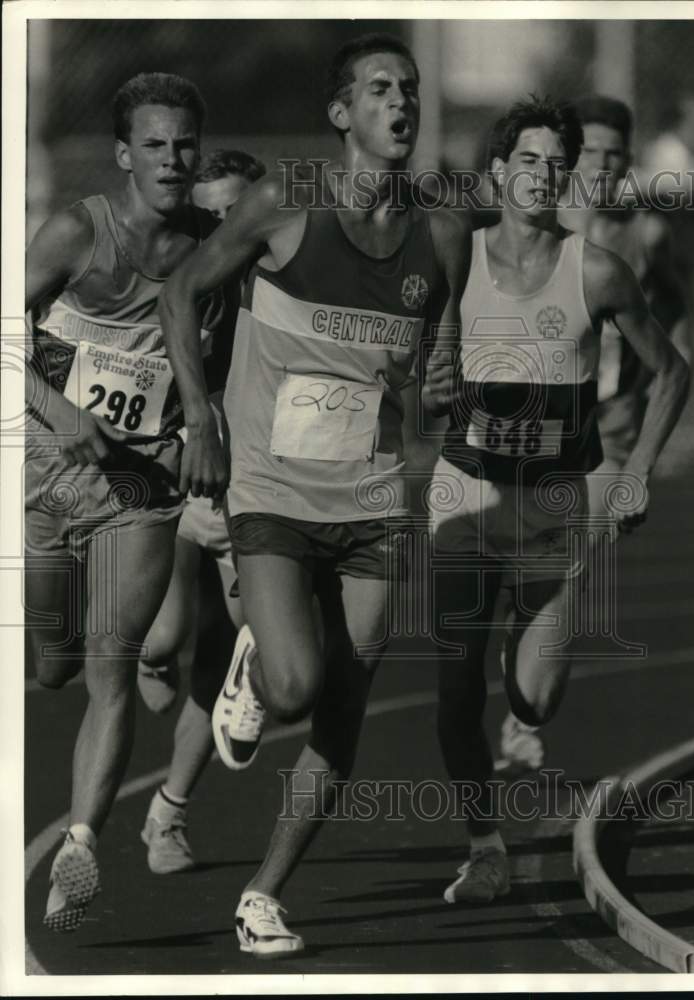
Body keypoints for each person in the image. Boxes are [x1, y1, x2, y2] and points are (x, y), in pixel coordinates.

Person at [159, 32, 469, 956]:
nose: (400, 102)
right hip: (273, 491)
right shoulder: (286, 204)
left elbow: (432, 375)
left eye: (409, 88)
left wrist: (441, 386)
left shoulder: (443, 234)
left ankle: (263, 895)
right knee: (295, 687)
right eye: (379, 89)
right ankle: (256, 667)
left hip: (373, 501)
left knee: (345, 706)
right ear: (341, 113)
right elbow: (180, 293)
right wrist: (201, 417)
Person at [429, 96, 689, 905]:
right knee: (455, 690)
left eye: (556, 163)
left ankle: (530, 633)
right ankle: (485, 846)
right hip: (466, 496)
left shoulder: (598, 271)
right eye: (527, 161)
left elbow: (673, 371)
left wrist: (637, 469)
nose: (542, 176)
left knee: (534, 698)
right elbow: (402, 346)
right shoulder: (457, 254)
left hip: (550, 508)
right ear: (498, 171)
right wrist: (424, 381)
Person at [25, 72, 237, 930]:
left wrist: (201, 426)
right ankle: (52, 653)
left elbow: (225, 357)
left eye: (185, 144)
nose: (173, 159)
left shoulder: (214, 248)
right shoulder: (77, 232)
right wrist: (60, 409)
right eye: (154, 145)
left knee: (109, 669)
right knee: (54, 663)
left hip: (140, 487)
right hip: (46, 473)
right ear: (123, 156)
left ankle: (78, 847)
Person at [497, 94, 693, 773]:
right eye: (593, 153)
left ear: (629, 159)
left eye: (616, 154)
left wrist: (667, 371)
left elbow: (675, 316)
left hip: (607, 436)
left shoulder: (646, 235)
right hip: (524, 434)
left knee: (569, 565)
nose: (604, 166)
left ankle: (519, 720)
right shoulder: (537, 221)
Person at [137, 149, 266, 875]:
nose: (225, 229)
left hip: (249, 493)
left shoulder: (289, 280)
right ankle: (146, 647)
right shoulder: (181, 280)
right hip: (177, 483)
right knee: (165, 638)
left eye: (236, 213)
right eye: (210, 215)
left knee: (234, 652)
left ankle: (168, 816)